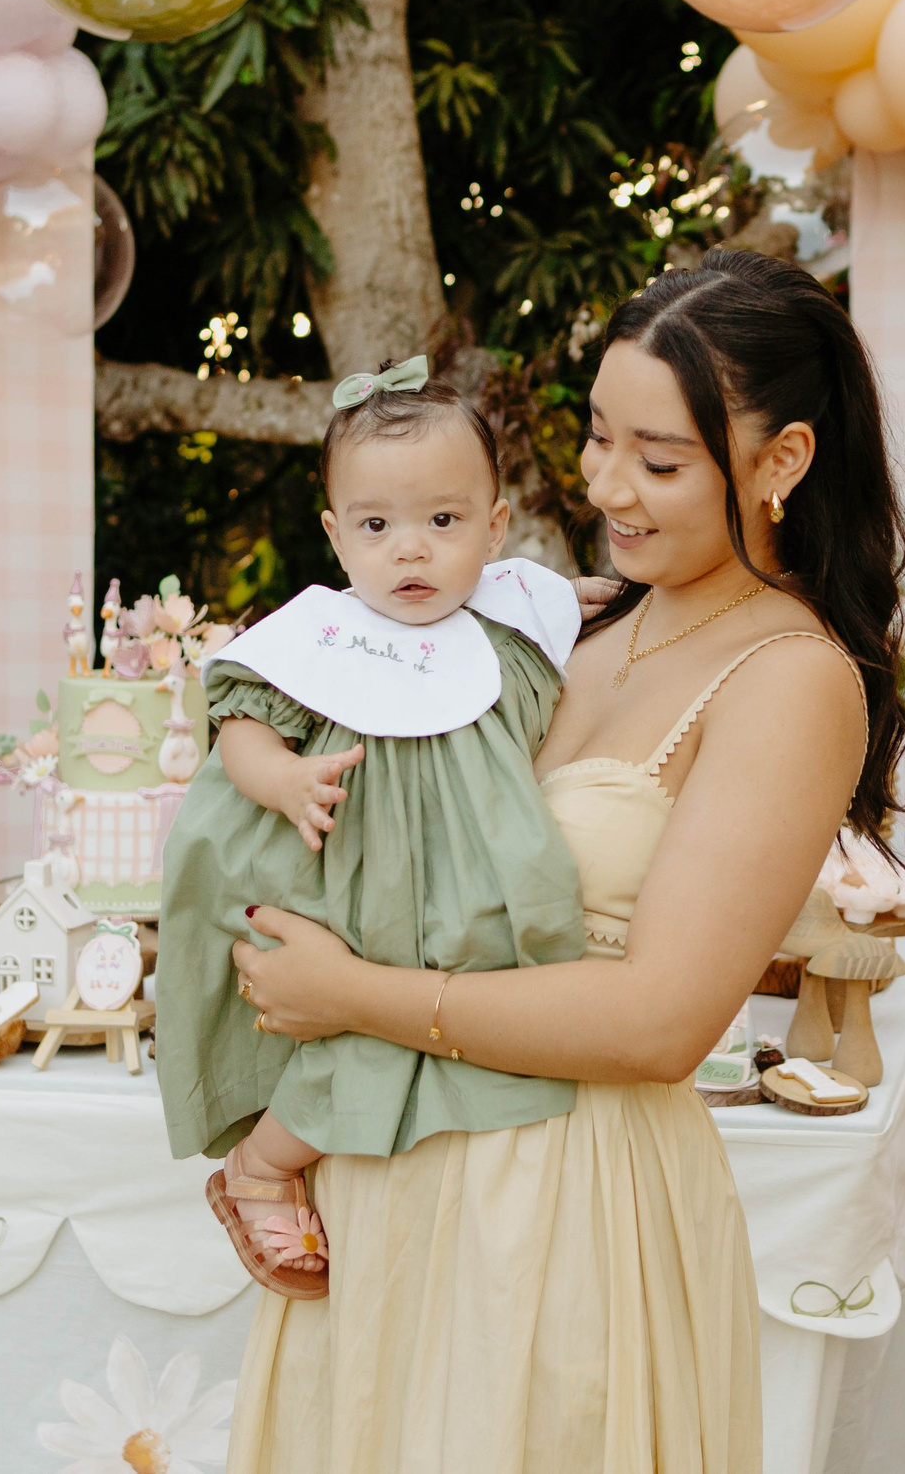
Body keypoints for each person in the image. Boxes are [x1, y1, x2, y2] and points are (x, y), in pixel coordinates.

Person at [224, 249, 905, 1473]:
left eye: (660, 459)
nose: (606, 484)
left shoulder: (789, 679)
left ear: (782, 460)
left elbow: (661, 1020)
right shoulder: (570, 622)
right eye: (598, 436)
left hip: (565, 1200)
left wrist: (353, 994)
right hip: (390, 1165)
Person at [157, 358, 590, 1299]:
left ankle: (449, 1170)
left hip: (465, 889)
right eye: (377, 526)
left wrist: (567, 602)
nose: (410, 552)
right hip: (354, 879)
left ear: (495, 528)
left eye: (444, 522)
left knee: (479, 1004)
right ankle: (262, 1165)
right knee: (355, 1022)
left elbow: (566, 618)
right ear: (335, 535)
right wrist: (285, 780)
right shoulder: (318, 637)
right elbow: (239, 730)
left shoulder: (506, 622)